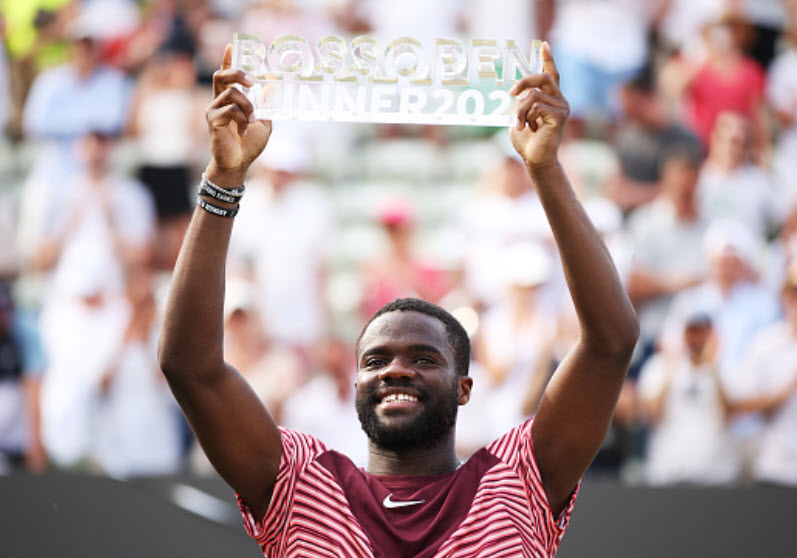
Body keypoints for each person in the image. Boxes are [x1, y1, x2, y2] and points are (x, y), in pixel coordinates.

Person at [158, 43, 639, 556]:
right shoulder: (298, 484)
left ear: (464, 388)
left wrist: (545, 170)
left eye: (424, 358)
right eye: (376, 359)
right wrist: (223, 179)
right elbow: (190, 366)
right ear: (355, 382)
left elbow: (610, 343)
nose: (396, 370)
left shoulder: (521, 479)